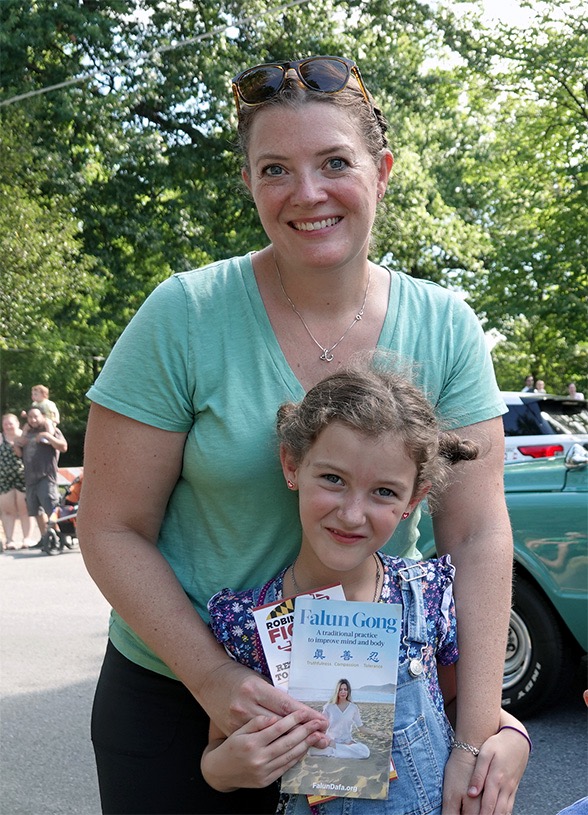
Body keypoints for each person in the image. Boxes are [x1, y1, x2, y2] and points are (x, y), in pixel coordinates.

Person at [77, 54, 513, 815]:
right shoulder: (185, 314)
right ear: (249, 183)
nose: (307, 193)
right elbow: (110, 525)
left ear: (382, 172)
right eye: (275, 169)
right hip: (181, 696)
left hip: (369, 698)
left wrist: (480, 731)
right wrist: (215, 678)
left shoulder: (446, 325)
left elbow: (476, 535)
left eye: (335, 163)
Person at [202, 368, 531, 814]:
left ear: (413, 499)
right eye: (333, 479)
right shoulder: (250, 622)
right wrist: (227, 768)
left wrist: (513, 736)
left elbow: (454, 701)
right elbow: (216, 756)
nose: (353, 514)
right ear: (292, 465)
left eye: (384, 492)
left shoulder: (425, 595)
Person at [14, 407, 68, 539]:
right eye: (30, 417)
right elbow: (19, 454)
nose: (33, 420)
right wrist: (16, 444)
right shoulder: (27, 433)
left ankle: (59, 536)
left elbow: (63, 447)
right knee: (36, 510)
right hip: (30, 478)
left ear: (43, 416)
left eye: (36, 416)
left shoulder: (52, 430)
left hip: (46, 476)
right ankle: (45, 538)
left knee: (50, 508)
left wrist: (48, 436)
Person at [307, 679, 371, 759]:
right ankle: (339, 751)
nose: (343, 692)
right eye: (340, 689)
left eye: (345, 689)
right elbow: (321, 726)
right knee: (311, 750)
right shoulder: (329, 707)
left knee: (365, 752)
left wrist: (378, 734)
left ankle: (335, 751)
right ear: (337, 691)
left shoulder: (353, 708)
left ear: (348, 691)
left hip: (347, 742)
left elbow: (361, 727)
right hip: (331, 742)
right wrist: (329, 741)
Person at [0, 413, 34, 550]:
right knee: (7, 510)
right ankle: (9, 540)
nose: (8, 426)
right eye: (5, 424)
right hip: (4, 479)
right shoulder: (1, 438)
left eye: (11, 423)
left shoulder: (24, 436)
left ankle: (27, 538)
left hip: (23, 478)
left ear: (17, 423)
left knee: (25, 509)